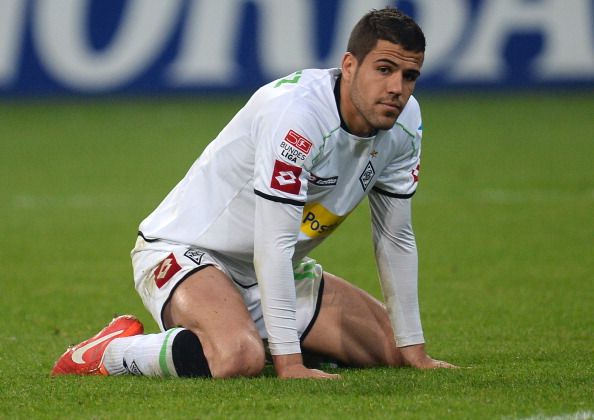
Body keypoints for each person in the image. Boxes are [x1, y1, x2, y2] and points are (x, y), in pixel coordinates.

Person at [52, 7, 455, 380]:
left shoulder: (405, 124)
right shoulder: (297, 116)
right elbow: (274, 243)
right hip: (184, 252)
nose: (397, 89)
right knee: (236, 357)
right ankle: (111, 351)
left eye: (409, 76)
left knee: (388, 350)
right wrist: (290, 362)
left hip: (262, 271)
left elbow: (394, 237)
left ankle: (254, 328)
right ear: (349, 66)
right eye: (384, 69)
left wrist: (413, 349)